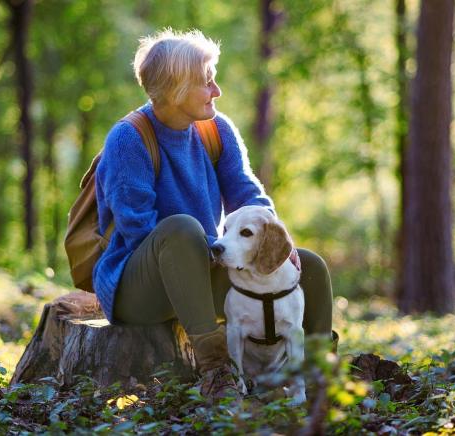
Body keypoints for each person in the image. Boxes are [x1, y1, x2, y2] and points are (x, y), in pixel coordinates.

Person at [93, 29, 334, 401]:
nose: (217, 90)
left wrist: (274, 241)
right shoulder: (129, 139)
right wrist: (218, 248)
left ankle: (317, 377)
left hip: (205, 267)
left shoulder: (216, 129)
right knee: (181, 229)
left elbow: (249, 195)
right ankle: (217, 372)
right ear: (175, 88)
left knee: (310, 266)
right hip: (140, 286)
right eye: (207, 82)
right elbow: (138, 229)